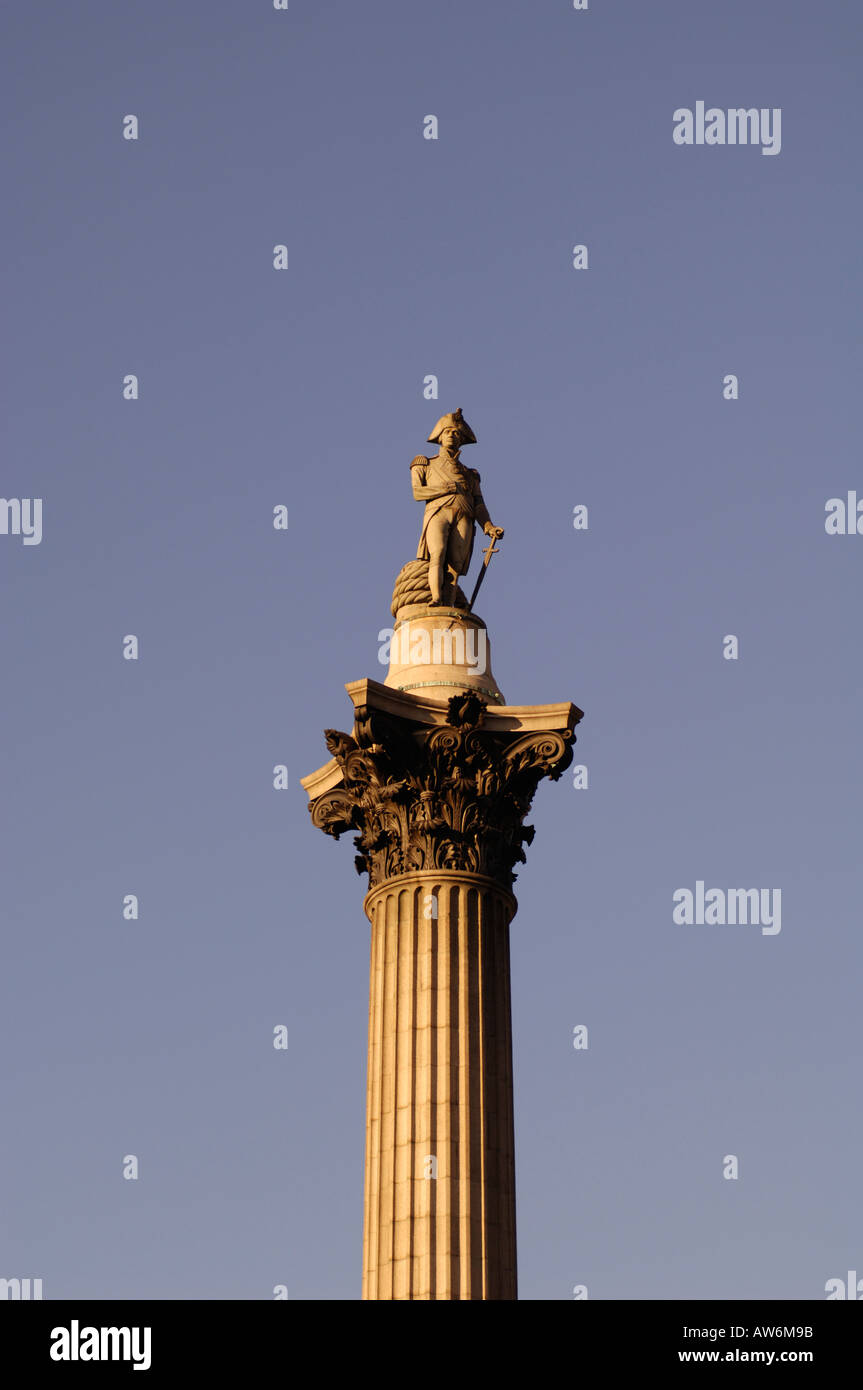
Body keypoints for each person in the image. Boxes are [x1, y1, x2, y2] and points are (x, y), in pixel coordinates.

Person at [410, 409, 504, 606]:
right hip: (438, 511)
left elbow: (479, 504)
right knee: (438, 552)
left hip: (464, 514)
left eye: (456, 433)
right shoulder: (424, 463)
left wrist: (488, 526)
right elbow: (418, 493)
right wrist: (443, 489)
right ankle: (436, 598)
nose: (452, 436)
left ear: (461, 439)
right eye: (447, 432)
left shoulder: (470, 474)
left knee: (456, 564)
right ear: (440, 436)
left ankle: (449, 604)